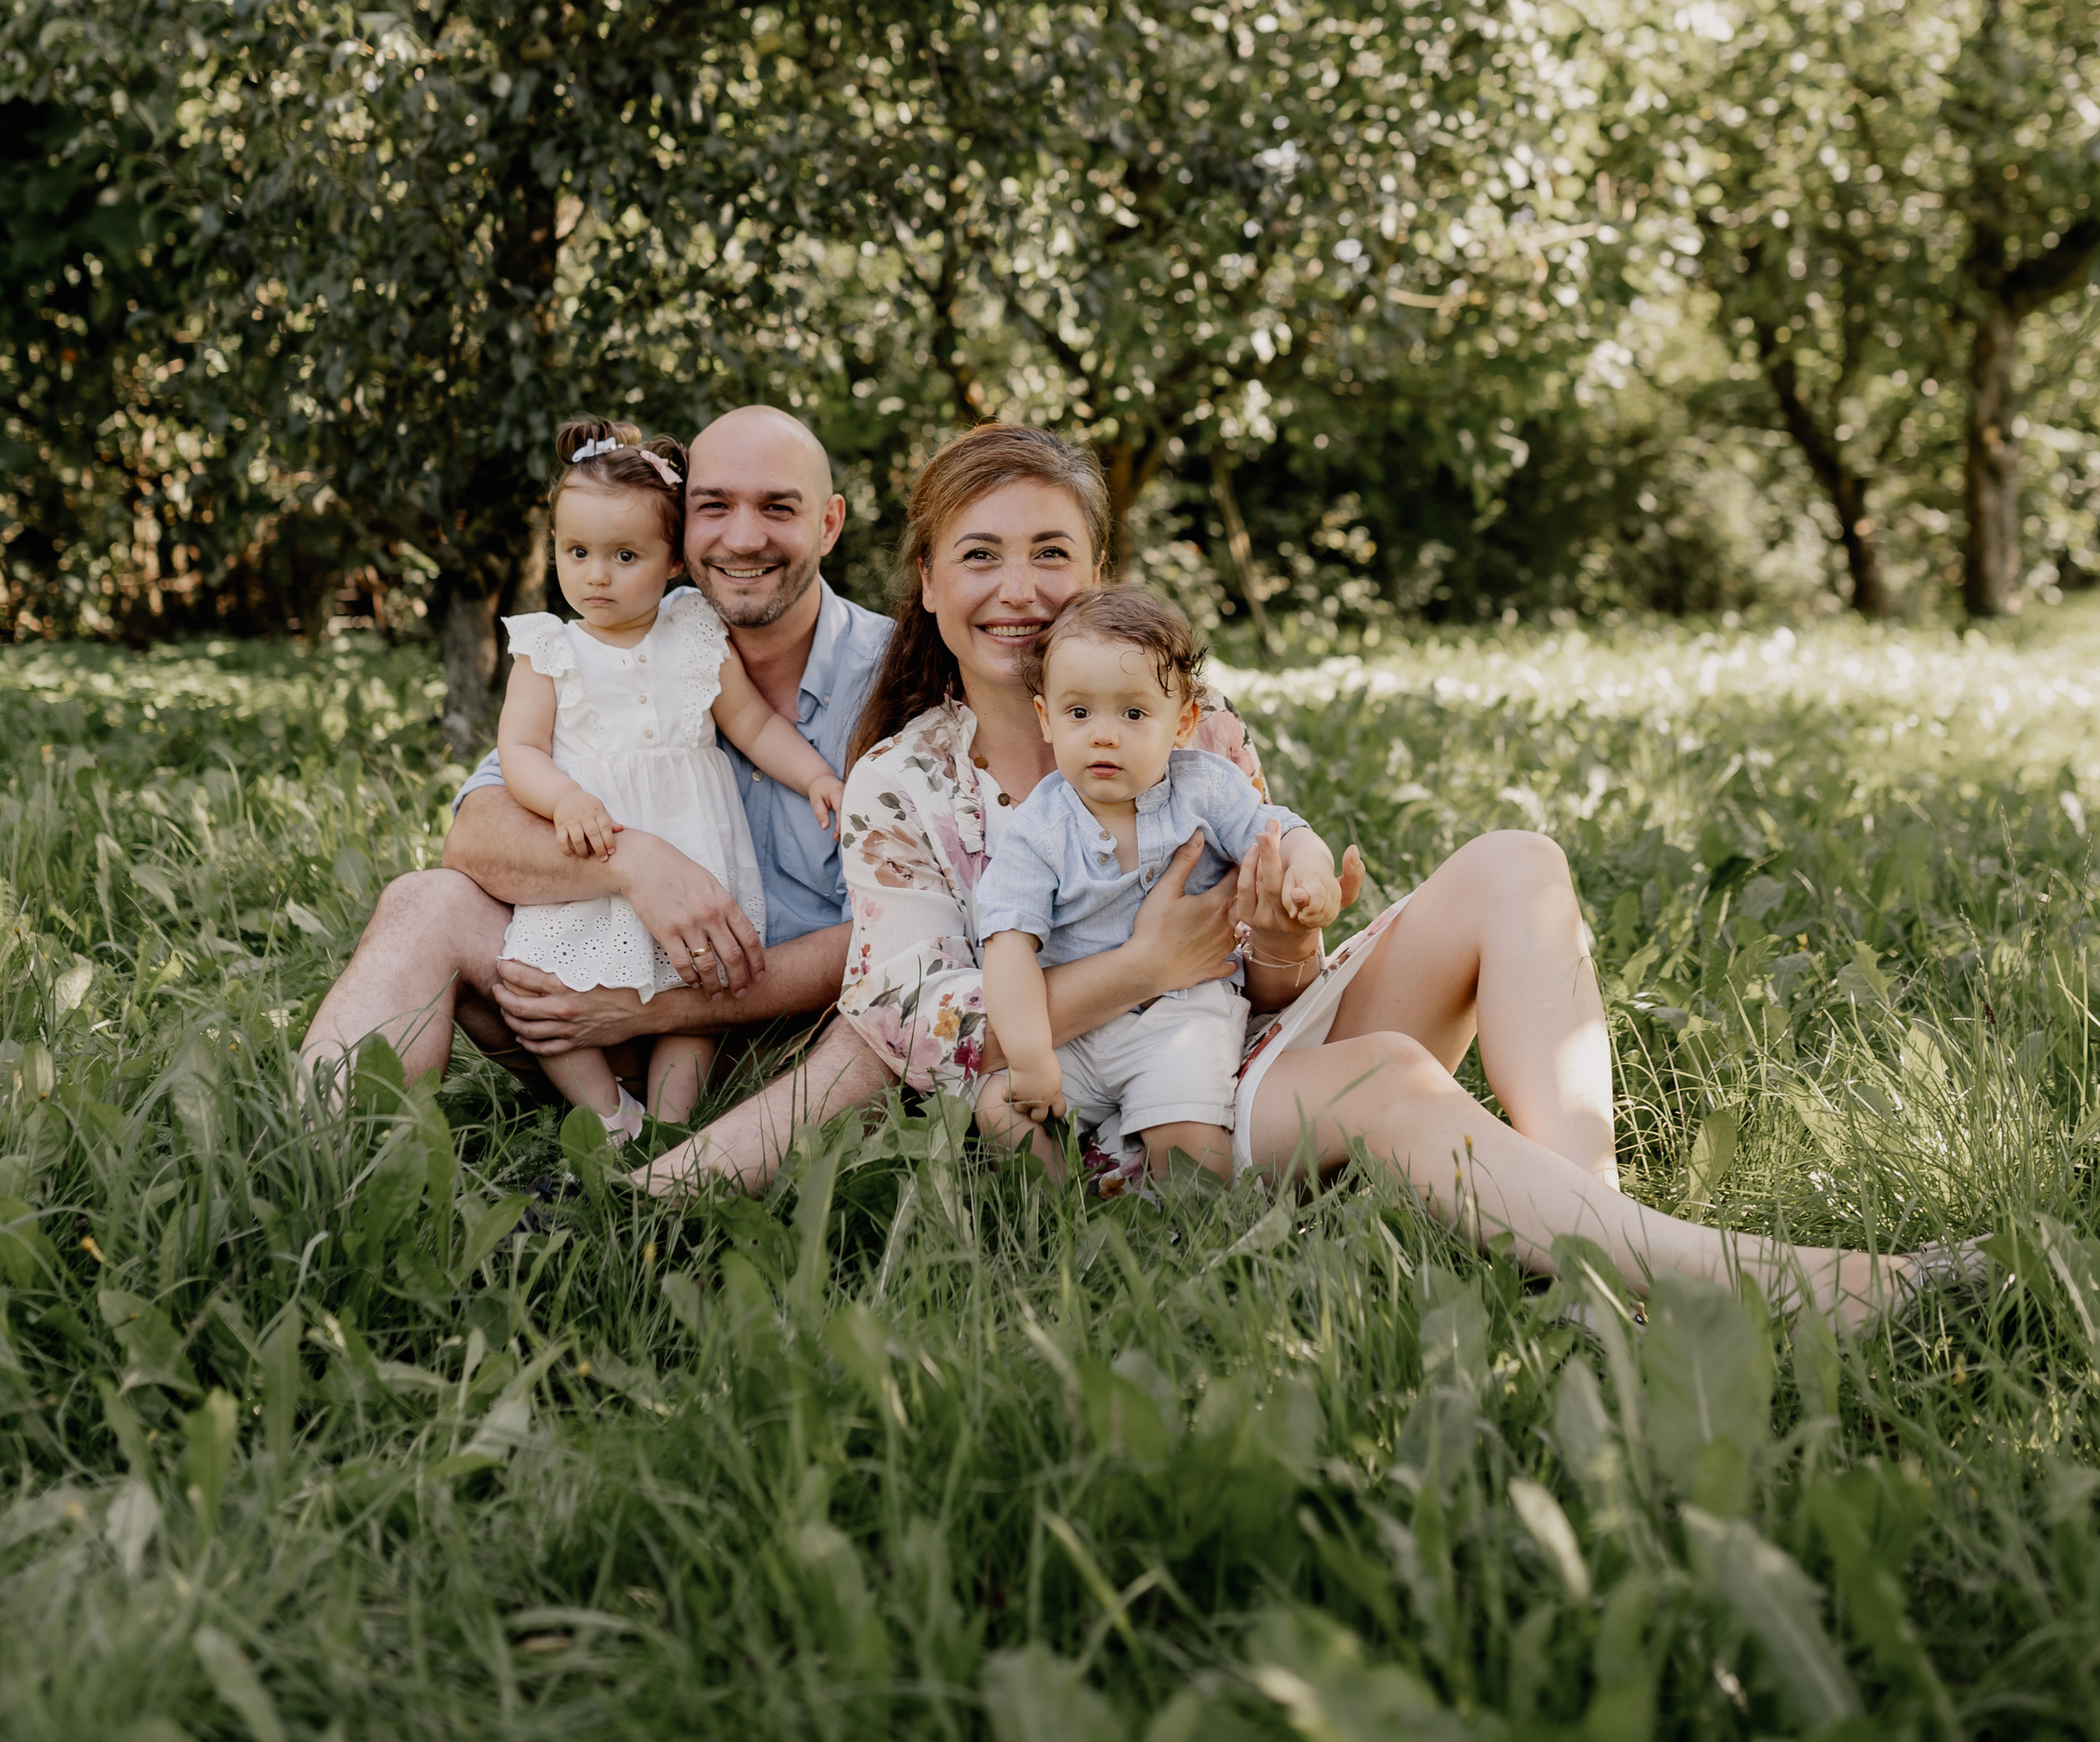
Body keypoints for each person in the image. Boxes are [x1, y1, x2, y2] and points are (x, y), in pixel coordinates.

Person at [640, 422, 1965, 1328]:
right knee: (1382, 1080)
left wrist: (1287, 928)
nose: (1020, 589)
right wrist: (1144, 969)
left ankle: (1591, 1235)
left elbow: (1266, 965)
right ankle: (1802, 1287)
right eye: (980, 556)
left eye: (1053, 554)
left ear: (1100, 578)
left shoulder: (1191, 730)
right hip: (1124, 1114)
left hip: (1257, 1028)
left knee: (1518, 861)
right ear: (925, 584)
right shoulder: (904, 786)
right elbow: (922, 1025)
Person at [299, 406, 888, 1104]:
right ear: (682, 527)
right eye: (714, 506)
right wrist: (633, 862)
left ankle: (669, 1160)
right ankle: (327, 1163)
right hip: (589, 1004)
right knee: (423, 903)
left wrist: (660, 1007)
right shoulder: (589, 651)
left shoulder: (899, 680)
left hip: (790, 1048)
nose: (743, 535)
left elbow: (902, 934)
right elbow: (477, 836)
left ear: (828, 523)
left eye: (778, 507)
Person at [494, 416, 848, 1139]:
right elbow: (519, 751)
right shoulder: (548, 650)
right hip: (599, 852)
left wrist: (815, 775)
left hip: (697, 855)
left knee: (701, 991)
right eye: (577, 551)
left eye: (625, 554)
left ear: (674, 559)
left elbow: (751, 724)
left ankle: (670, 1127)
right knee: (544, 988)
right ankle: (605, 1120)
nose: (596, 574)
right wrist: (566, 797)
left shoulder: (693, 635)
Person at [977, 586, 1335, 1182]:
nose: (1105, 735)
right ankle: (1054, 1227)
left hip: (1185, 1012)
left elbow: (1285, 831)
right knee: (998, 1110)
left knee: (1188, 1129)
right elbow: (1008, 946)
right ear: (1046, 718)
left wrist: (1308, 871)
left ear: (1183, 722)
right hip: (1080, 1027)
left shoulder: (1207, 788)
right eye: (1079, 713)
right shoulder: (1037, 828)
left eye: (1134, 713)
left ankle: (1188, 1237)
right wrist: (1031, 1054)